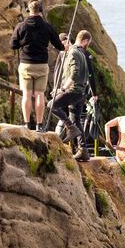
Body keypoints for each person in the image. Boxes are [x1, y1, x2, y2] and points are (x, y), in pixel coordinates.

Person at [10, 0, 64, 131]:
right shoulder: (47, 26)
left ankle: (27, 124)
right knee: (40, 94)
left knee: (26, 95)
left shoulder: (21, 26)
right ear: (41, 10)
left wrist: (22, 43)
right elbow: (59, 45)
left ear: (28, 10)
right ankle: (40, 125)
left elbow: (13, 45)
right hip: (41, 65)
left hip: (26, 65)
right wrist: (64, 46)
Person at [50, 30, 92, 161]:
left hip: (73, 91)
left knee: (51, 105)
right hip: (82, 92)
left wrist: (62, 89)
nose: (61, 48)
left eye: (62, 44)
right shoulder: (81, 52)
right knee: (76, 119)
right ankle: (83, 150)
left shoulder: (73, 52)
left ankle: (70, 127)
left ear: (67, 42)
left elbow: (74, 74)